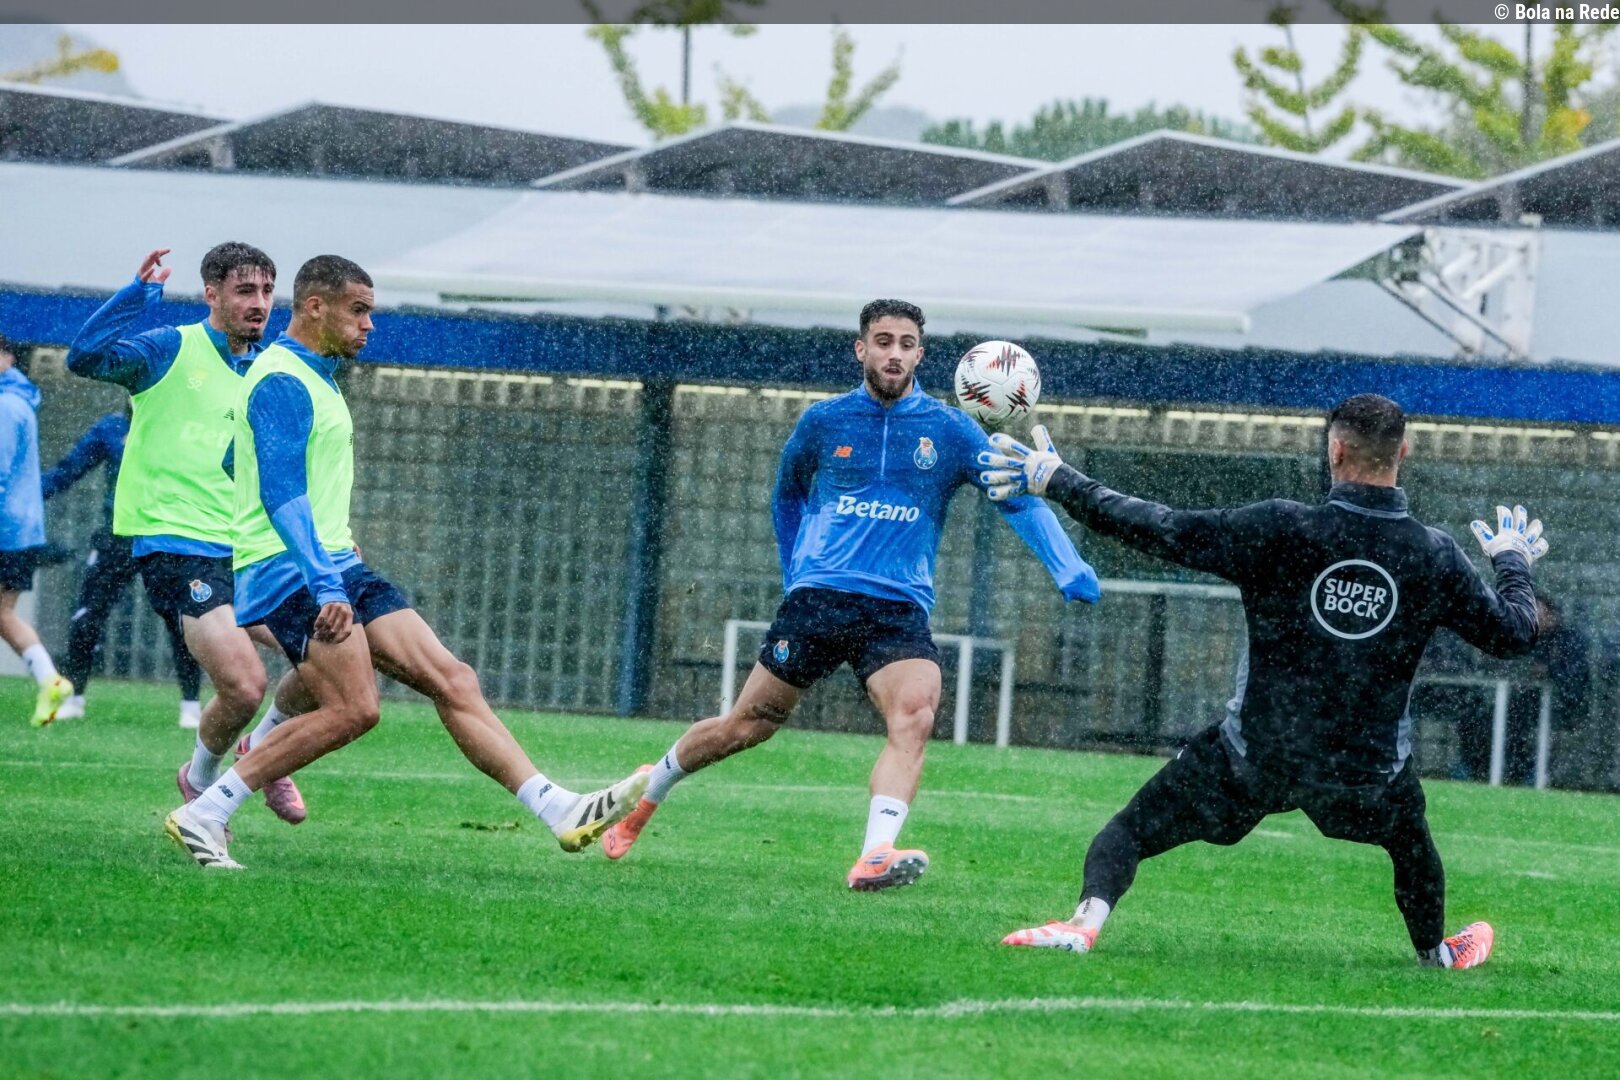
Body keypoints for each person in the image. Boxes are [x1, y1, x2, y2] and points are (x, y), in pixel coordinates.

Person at [981, 394, 1541, 970]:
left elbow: (1162, 528)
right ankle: (1433, 952)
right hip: (1364, 772)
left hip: (1257, 757)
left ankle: (1084, 923)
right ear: (1403, 453)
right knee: (1410, 846)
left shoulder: (1283, 527)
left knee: (1130, 831)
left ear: (1335, 450)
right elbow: (1515, 633)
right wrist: (1512, 561)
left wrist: (1060, 481)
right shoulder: (1433, 554)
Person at [163, 255, 647, 869]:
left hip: (331, 562)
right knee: (354, 709)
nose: (369, 325)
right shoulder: (282, 378)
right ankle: (206, 810)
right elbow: (280, 491)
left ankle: (560, 809)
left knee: (453, 678)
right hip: (294, 571)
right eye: (358, 310)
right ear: (315, 306)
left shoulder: (313, 376)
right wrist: (323, 577)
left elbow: (239, 463)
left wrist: (328, 538)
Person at [600, 299, 1100, 890]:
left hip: (897, 608)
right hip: (819, 599)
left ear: (920, 355)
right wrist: (795, 572)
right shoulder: (824, 421)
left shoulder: (951, 430)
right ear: (861, 349)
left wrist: (1068, 565)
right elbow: (787, 495)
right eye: (883, 341)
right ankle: (648, 792)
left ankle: (875, 853)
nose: (894, 353)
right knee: (747, 726)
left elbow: (1017, 498)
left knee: (915, 715)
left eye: (906, 344)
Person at [67, 244, 308, 824]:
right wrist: (136, 296)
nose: (259, 303)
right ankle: (204, 782)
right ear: (211, 294)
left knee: (332, 664)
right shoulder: (170, 348)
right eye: (244, 291)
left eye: (267, 291)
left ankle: (257, 751)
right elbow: (84, 357)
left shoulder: (270, 369)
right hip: (177, 542)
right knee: (245, 686)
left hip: (250, 547)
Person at [42, 406, 206, 728]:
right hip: (116, 538)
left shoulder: (178, 422)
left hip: (165, 539)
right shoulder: (112, 428)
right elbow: (68, 469)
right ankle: (74, 698)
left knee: (181, 621)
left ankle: (191, 705)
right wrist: (29, 494)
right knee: (88, 616)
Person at [0, 333, 75, 726]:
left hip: (7, 529)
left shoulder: (6, 406)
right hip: (19, 529)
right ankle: (50, 681)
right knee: (3, 614)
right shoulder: (19, 400)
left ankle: (50, 680)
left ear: (8, 358)